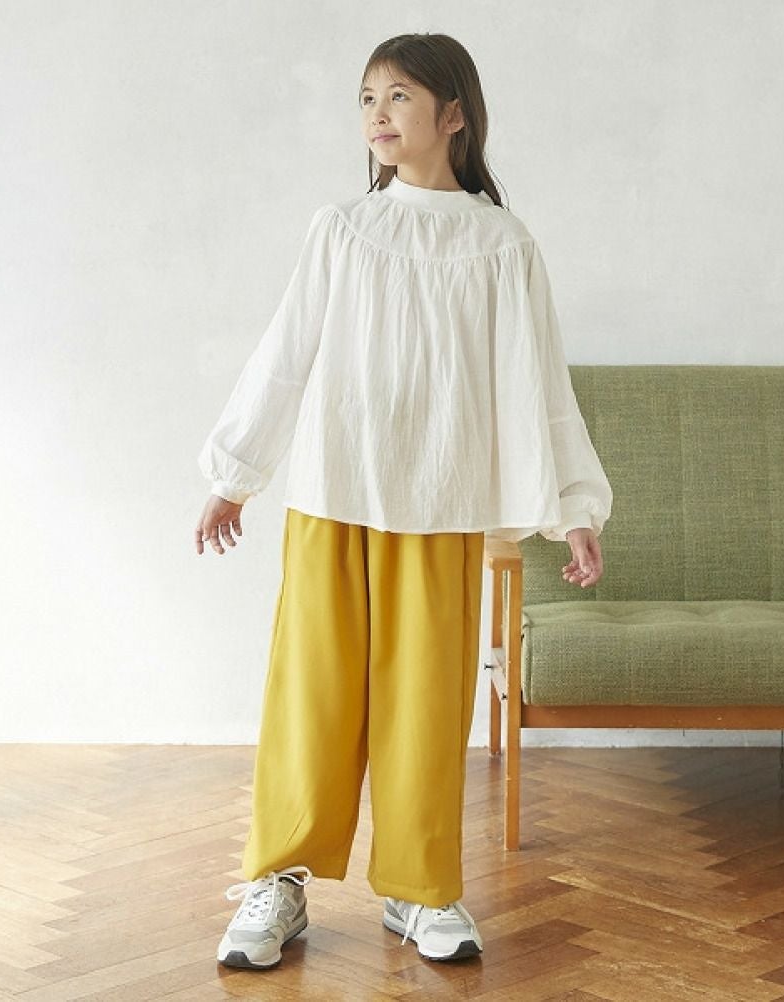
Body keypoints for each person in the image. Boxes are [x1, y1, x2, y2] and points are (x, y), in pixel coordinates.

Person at [194, 32, 612, 970]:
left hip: (439, 500)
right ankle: (279, 881)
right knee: (312, 691)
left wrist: (574, 508)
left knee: (425, 703)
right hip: (335, 490)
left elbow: (541, 386)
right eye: (367, 99)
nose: (377, 115)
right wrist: (234, 475)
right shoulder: (342, 229)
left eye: (399, 97)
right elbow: (285, 353)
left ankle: (421, 889)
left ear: (453, 114)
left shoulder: (503, 245)